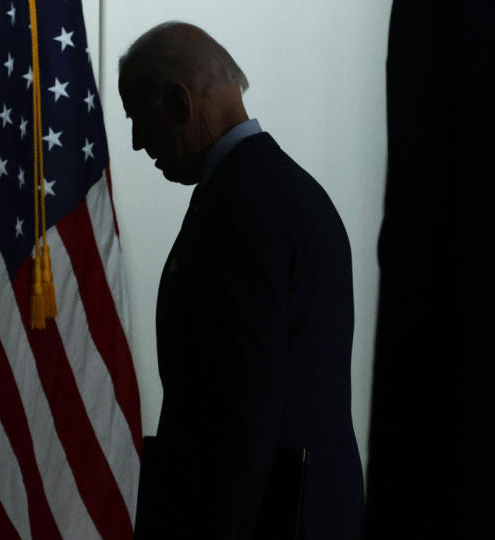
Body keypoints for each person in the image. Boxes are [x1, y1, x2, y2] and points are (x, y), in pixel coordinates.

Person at [118, 22, 364, 539]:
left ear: (181, 102)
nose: (138, 143)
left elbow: (242, 412)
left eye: (140, 118)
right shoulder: (288, 193)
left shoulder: (242, 210)